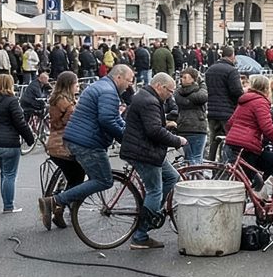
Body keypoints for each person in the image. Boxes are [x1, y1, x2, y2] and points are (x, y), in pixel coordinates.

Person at [44, 64, 134, 229]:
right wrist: (126, 140)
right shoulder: (109, 92)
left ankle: (60, 205)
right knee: (103, 180)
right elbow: (107, 120)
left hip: (77, 139)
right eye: (129, 81)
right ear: (119, 77)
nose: (129, 85)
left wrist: (128, 132)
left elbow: (114, 118)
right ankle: (56, 201)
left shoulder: (101, 86)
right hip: (88, 142)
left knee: (80, 179)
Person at [120, 72, 185, 250]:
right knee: (155, 190)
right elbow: (154, 131)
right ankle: (141, 235)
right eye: (170, 91)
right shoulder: (150, 101)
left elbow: (151, 125)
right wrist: (177, 140)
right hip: (144, 152)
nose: (171, 95)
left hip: (145, 149)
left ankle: (154, 211)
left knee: (172, 176)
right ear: (159, 86)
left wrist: (166, 125)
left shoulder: (145, 96)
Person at [224, 74, 273, 185]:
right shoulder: (261, 102)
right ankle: (271, 195)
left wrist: (235, 137)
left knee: (250, 181)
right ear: (266, 89)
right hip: (248, 148)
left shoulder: (244, 101)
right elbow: (269, 129)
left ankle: (260, 196)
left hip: (232, 145)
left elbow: (229, 124)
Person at [0, 73, 35, 213]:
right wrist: (29, 138)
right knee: (10, 175)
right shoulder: (11, 100)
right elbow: (20, 122)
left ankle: (7, 203)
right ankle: (8, 206)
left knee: (4, 173)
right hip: (9, 142)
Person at [40, 71, 83, 228]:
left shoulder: (56, 100)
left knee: (73, 178)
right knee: (78, 178)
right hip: (64, 146)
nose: (78, 86)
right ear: (69, 85)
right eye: (76, 83)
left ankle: (59, 206)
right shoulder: (66, 103)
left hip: (54, 144)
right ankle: (57, 205)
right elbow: (74, 121)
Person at [204, 45, 244, 152]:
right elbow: (237, 91)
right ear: (232, 55)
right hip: (227, 112)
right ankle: (227, 164)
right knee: (231, 141)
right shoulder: (231, 71)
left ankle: (211, 165)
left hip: (212, 111)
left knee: (213, 141)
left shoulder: (210, 70)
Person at [174, 67, 210, 164]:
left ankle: (187, 177)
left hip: (182, 127)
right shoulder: (198, 93)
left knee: (187, 158)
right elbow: (203, 96)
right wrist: (202, 83)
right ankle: (196, 177)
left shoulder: (177, 93)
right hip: (198, 128)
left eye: (185, 77)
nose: (182, 79)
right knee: (197, 157)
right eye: (182, 77)